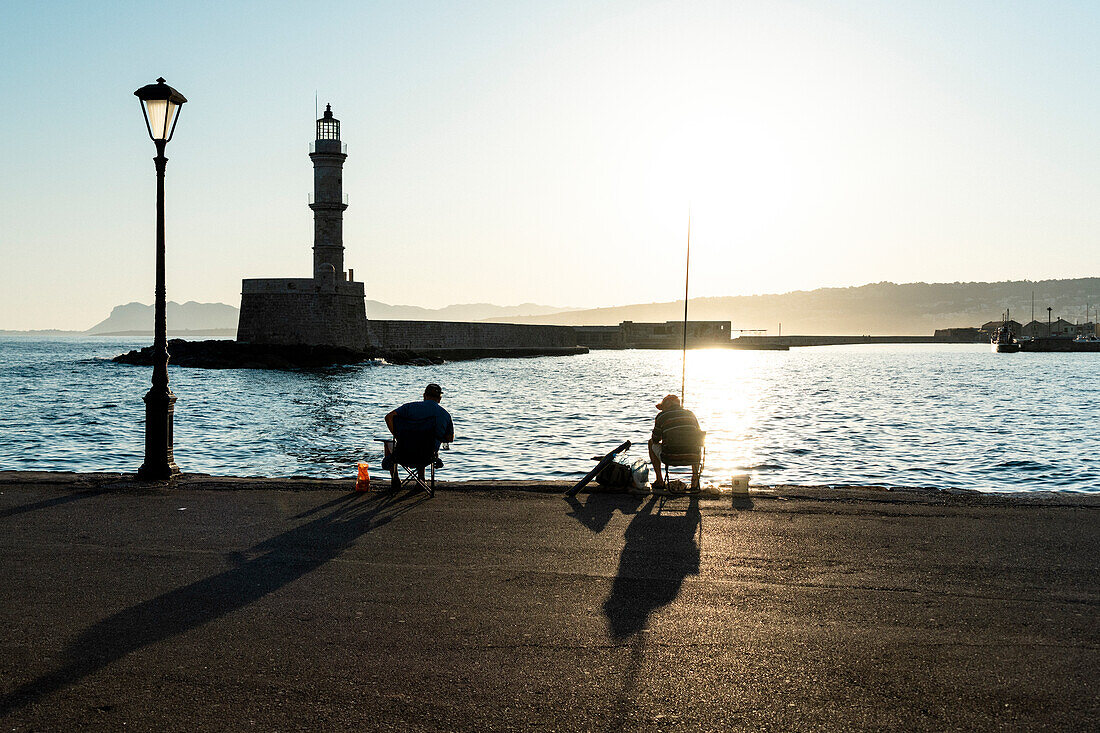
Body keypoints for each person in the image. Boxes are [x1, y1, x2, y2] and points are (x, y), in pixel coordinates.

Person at [382, 383, 455, 486]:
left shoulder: (409, 407)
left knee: (388, 443)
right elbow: (450, 439)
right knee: (426, 445)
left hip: (402, 453)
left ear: (424, 395)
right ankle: (421, 480)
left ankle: (395, 479)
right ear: (439, 399)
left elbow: (388, 417)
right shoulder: (445, 415)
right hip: (427, 456)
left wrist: (398, 436)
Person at [648, 393, 702, 491]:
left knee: (650, 443)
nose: (662, 410)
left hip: (669, 456)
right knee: (696, 443)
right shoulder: (691, 414)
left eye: (663, 407)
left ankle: (659, 481)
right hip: (692, 456)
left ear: (667, 405)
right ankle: (694, 481)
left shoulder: (661, 416)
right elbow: (699, 435)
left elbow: (655, 439)